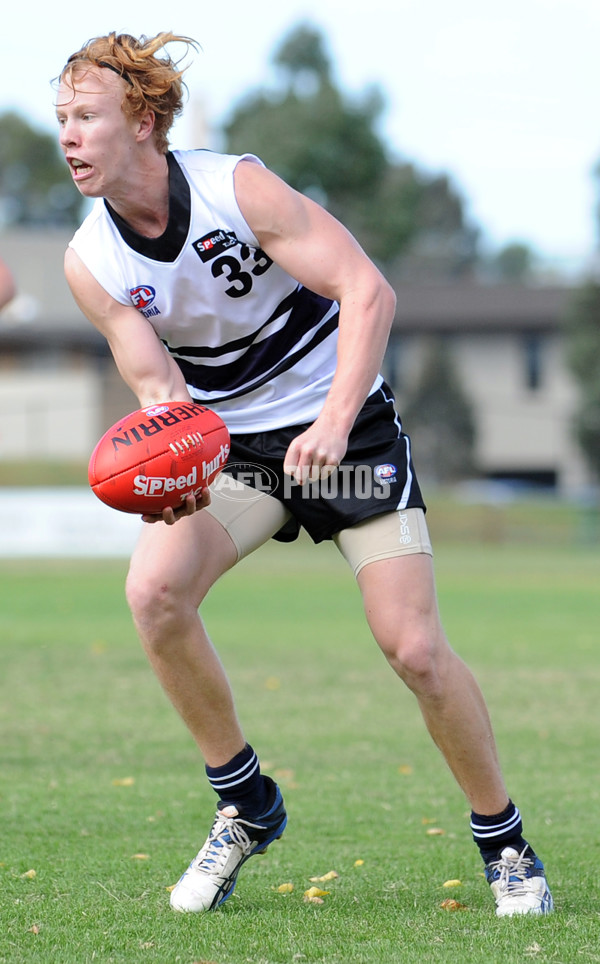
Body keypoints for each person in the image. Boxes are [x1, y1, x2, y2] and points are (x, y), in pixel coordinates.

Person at [55, 31, 553, 918]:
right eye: (61, 119)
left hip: (347, 439)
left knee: (414, 649)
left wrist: (330, 421)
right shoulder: (91, 262)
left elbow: (369, 292)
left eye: (86, 117)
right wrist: (175, 459)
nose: (68, 136)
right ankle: (245, 805)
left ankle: (505, 843)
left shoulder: (233, 188)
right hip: (238, 455)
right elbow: (157, 384)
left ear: (143, 120)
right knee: (154, 595)